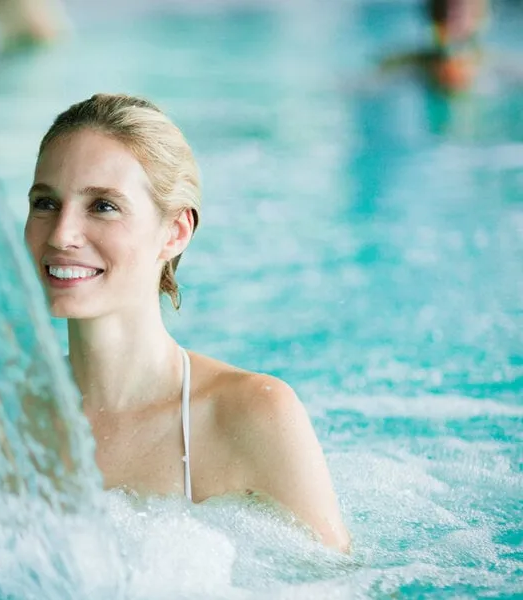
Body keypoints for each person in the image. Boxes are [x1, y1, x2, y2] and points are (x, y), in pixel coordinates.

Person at [23, 93, 352, 552]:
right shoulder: (1, 419)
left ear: (175, 232)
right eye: (45, 203)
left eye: (102, 206)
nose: (61, 234)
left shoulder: (252, 415)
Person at [380, 0, 490, 94]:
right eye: (444, 12)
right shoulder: (406, 66)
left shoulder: (491, 69)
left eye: (458, 14)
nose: (451, 18)